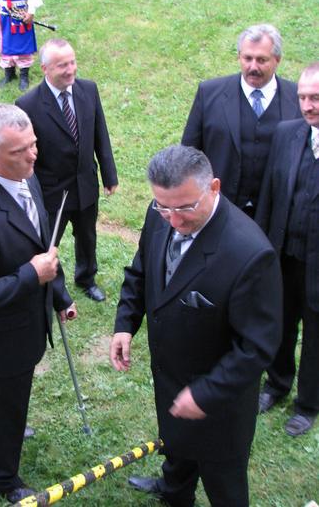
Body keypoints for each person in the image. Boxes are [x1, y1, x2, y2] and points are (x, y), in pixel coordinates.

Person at [110, 144, 282, 507]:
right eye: (163, 207)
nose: (173, 221)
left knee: (224, 486)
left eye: (186, 208)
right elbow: (141, 272)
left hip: (219, 408)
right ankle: (174, 492)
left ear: (213, 188)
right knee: (176, 454)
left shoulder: (249, 254)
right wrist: (125, 323)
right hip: (171, 384)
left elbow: (257, 347)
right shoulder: (160, 214)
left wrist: (205, 393)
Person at [0, 103, 76, 503]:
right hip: (1, 341)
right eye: (19, 151)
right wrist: (31, 276)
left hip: (26, 328)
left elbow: (41, 244)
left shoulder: (25, 178)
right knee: (0, 403)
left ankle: (11, 428)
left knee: (11, 401)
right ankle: (1, 477)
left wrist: (59, 294)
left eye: (33, 144)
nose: (33, 156)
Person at [16, 38, 118, 302]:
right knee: (49, 243)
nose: (70, 69)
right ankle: (55, 289)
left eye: (72, 62)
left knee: (87, 237)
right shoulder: (27, 105)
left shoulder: (88, 90)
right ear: (45, 68)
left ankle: (86, 278)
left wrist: (109, 174)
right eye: (62, 65)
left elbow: (100, 133)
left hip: (85, 185)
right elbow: (26, 153)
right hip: (51, 191)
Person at [255, 62, 319, 437]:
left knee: (316, 335)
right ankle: (276, 384)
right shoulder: (286, 133)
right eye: (303, 97)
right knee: (280, 323)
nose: (307, 106)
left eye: (316, 98)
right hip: (284, 256)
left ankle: (308, 403)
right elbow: (269, 194)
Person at [181, 23, 300, 218]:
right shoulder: (209, 93)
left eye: (261, 60)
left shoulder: (298, 98)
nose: (253, 67)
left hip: (276, 213)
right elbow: (188, 153)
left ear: (277, 59)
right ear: (239, 56)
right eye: (247, 58)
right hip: (220, 208)